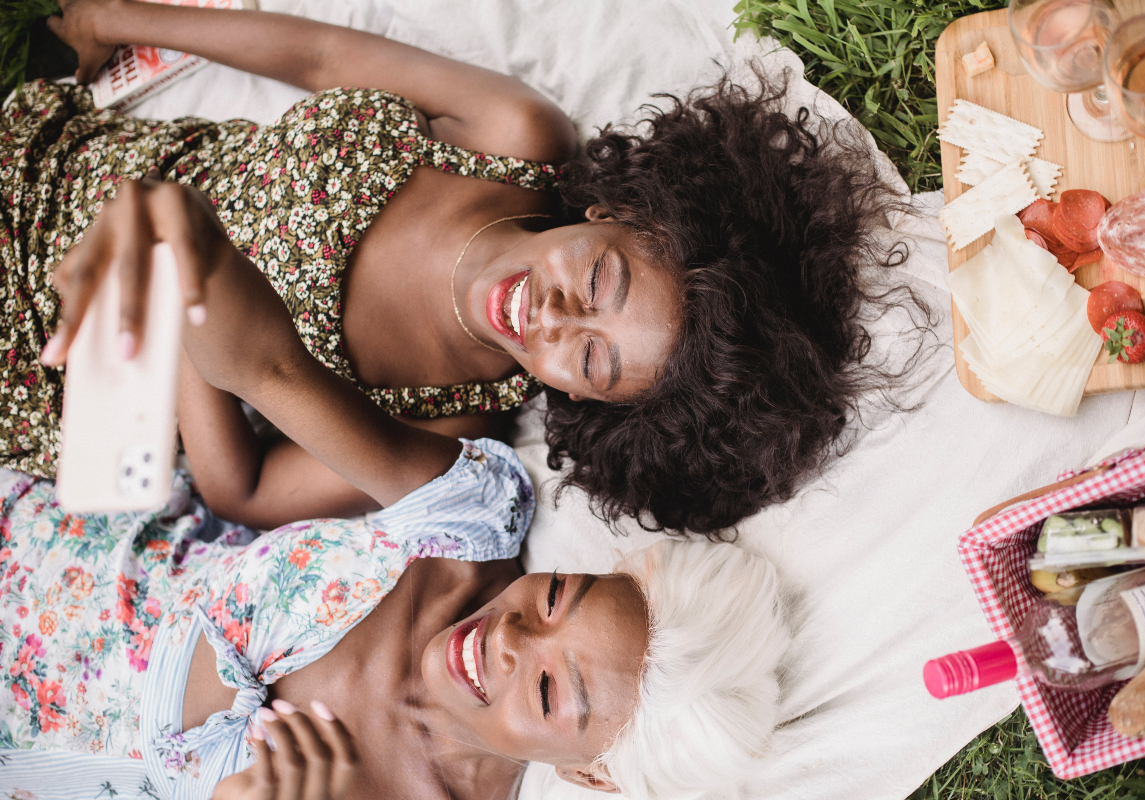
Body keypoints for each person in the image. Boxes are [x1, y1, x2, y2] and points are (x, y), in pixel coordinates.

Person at [10, 0, 926, 536]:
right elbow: (322, 56)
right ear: (626, 214)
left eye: (594, 360)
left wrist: (184, 303)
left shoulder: (447, 420)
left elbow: (237, 489)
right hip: (66, 164)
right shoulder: (514, 141)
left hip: (55, 348)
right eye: (604, 282)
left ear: (588, 406)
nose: (559, 321)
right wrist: (114, 16)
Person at [0, 186, 792, 799]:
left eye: (551, 691)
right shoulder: (467, 521)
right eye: (557, 597)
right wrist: (184, 245)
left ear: (592, 776)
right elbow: (271, 370)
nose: (514, 639)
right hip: (40, 540)